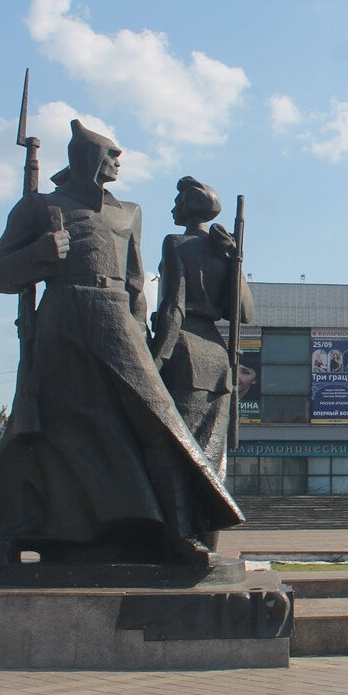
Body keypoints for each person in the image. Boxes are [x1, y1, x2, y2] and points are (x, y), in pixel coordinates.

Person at [0, 121, 243, 573]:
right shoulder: (39, 206)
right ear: (84, 156)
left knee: (156, 420)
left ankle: (179, 533)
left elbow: (137, 283)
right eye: (110, 153)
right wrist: (40, 254)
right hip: (61, 316)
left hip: (118, 319)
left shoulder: (129, 212)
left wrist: (144, 337)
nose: (118, 161)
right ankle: (7, 537)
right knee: (34, 427)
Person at [150, 176, 253, 483]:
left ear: (189, 207)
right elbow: (245, 313)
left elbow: (174, 306)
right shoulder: (223, 251)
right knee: (210, 456)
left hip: (184, 349)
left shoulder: (176, 243)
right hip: (218, 358)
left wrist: (156, 359)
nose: (173, 209)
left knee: (179, 451)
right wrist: (234, 262)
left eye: (177, 203)